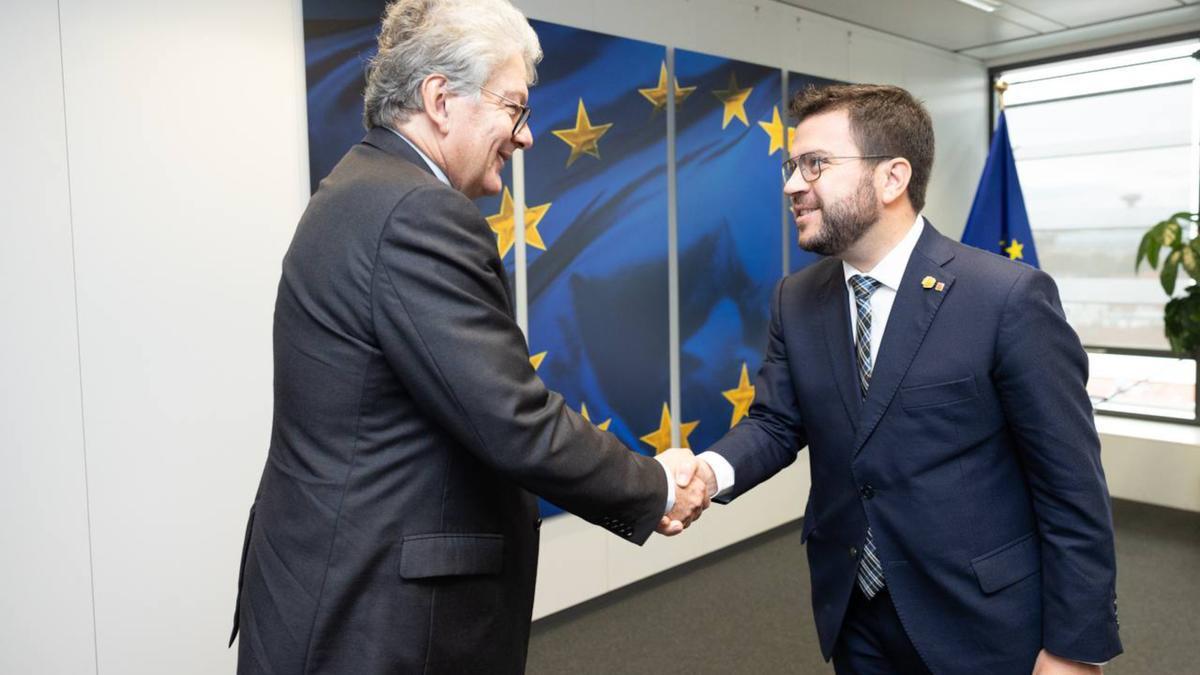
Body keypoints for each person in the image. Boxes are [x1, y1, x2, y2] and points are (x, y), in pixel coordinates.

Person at [228, 1, 707, 672]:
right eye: (513, 107)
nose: (525, 135)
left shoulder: (356, 188)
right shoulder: (416, 213)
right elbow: (513, 417)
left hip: (322, 586)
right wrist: (653, 486)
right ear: (439, 99)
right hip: (375, 619)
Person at [689, 84, 1122, 673]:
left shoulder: (1006, 298)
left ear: (893, 178)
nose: (792, 184)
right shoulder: (797, 298)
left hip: (981, 621)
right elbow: (775, 421)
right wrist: (705, 475)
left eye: (814, 164)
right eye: (792, 165)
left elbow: (1071, 487)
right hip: (855, 612)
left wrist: (1075, 648)